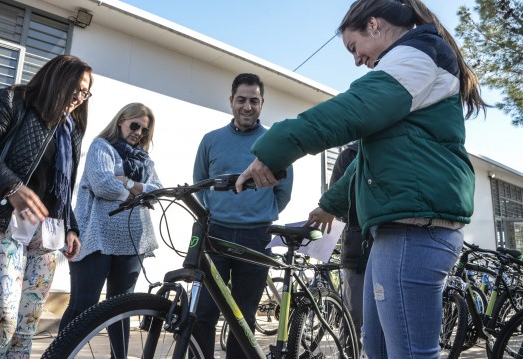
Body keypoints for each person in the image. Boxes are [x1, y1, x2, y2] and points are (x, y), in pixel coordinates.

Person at [236, 0, 487, 357]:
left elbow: (353, 109)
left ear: (374, 25)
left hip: (412, 233)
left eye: (354, 47)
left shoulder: (417, 57)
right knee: (376, 347)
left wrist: (274, 149)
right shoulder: (417, 61)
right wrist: (330, 205)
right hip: (398, 233)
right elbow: (362, 164)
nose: (356, 59)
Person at [0, 54, 92, 358]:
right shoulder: (12, 100)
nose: (80, 98)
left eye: (86, 92)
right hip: (4, 225)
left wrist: (72, 226)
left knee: (26, 329)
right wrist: (11, 186)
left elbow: (60, 188)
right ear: (57, 79)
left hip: (49, 234)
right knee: (3, 324)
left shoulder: (71, 130)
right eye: (76, 88)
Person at [193, 73, 293, 358]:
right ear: (231, 101)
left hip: (256, 237)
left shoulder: (274, 142)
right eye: (241, 100)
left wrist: (257, 210)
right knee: (204, 313)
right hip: (215, 234)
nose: (247, 107)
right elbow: (200, 182)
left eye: (254, 101)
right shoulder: (211, 140)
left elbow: (282, 192)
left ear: (262, 104)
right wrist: (219, 208)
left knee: (243, 317)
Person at [59, 102, 162, 358]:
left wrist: (126, 181)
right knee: (83, 306)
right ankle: (59, 354)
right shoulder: (101, 147)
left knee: (121, 308)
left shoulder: (144, 160)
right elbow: (103, 184)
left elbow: (157, 193)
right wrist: (138, 192)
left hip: (131, 241)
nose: (138, 132)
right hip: (95, 238)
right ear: (121, 121)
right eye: (134, 125)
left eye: (144, 130)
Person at [307, 140, 367, 341]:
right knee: (354, 317)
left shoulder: (393, 146)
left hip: (389, 242)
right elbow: (336, 203)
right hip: (356, 247)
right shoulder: (347, 155)